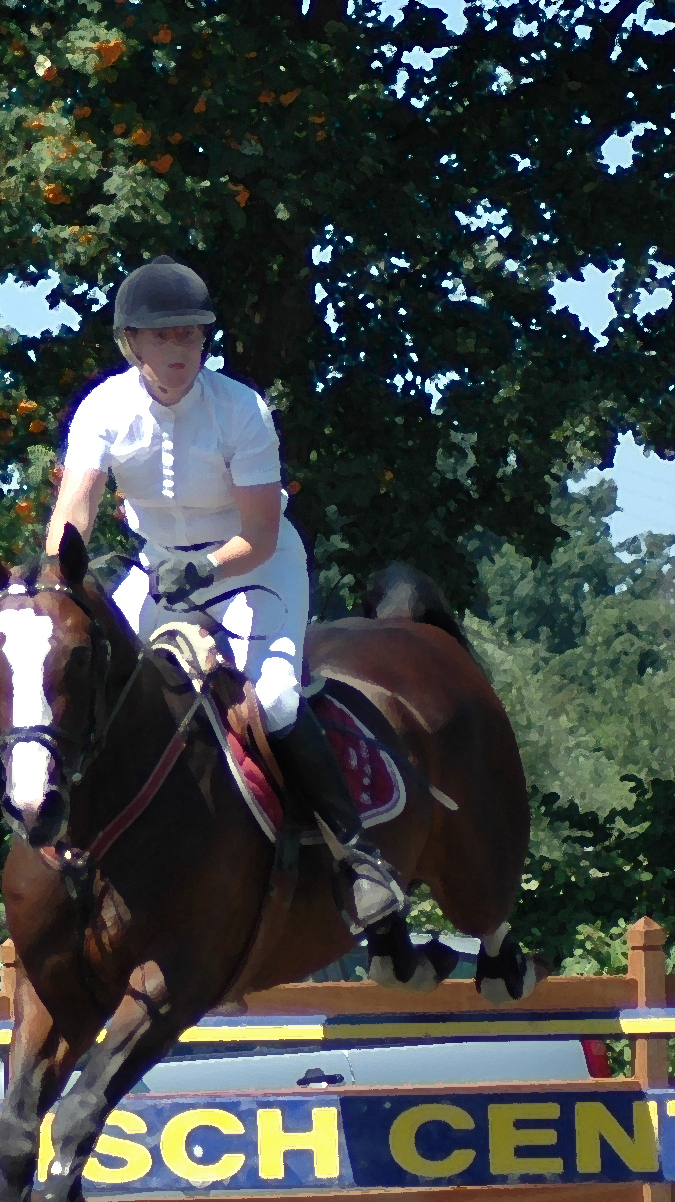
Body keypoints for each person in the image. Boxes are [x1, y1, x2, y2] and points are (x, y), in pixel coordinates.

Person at [44, 255, 405, 932]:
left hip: (251, 568)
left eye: (190, 333)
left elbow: (260, 535)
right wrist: (54, 575)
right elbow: (77, 507)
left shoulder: (241, 409)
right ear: (131, 343)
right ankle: (66, 833)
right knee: (87, 680)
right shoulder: (104, 409)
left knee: (273, 698)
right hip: (158, 567)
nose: (180, 347)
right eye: (163, 335)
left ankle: (357, 858)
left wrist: (205, 569)